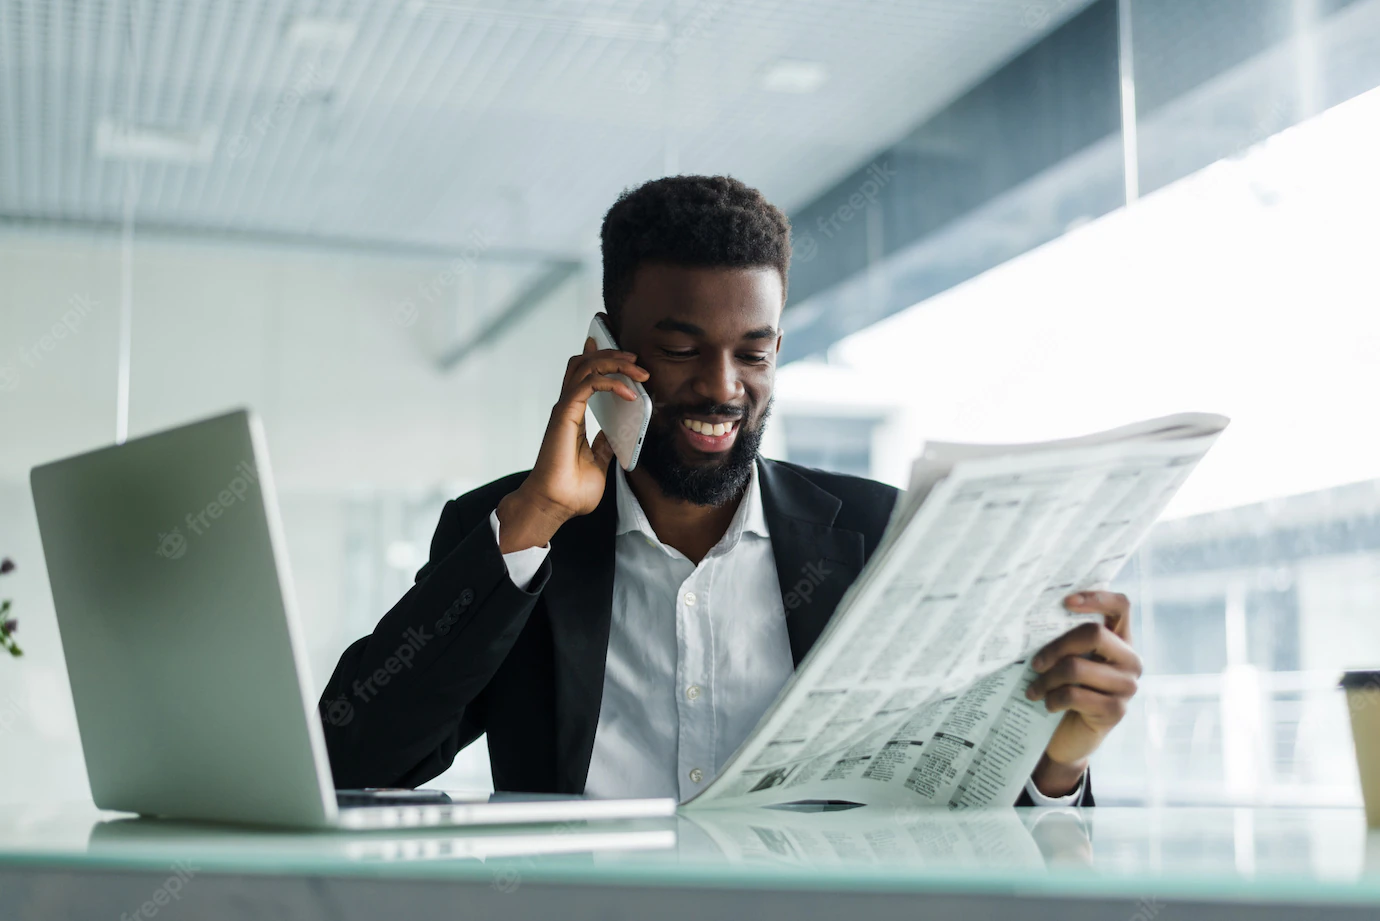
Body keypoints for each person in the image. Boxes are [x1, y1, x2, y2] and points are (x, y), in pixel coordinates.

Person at [318, 175, 1142, 805]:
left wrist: (1059, 759)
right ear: (606, 350)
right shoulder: (511, 532)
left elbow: (949, 808)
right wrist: (534, 520)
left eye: (753, 352)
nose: (723, 387)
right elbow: (354, 757)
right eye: (681, 349)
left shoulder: (879, 532)